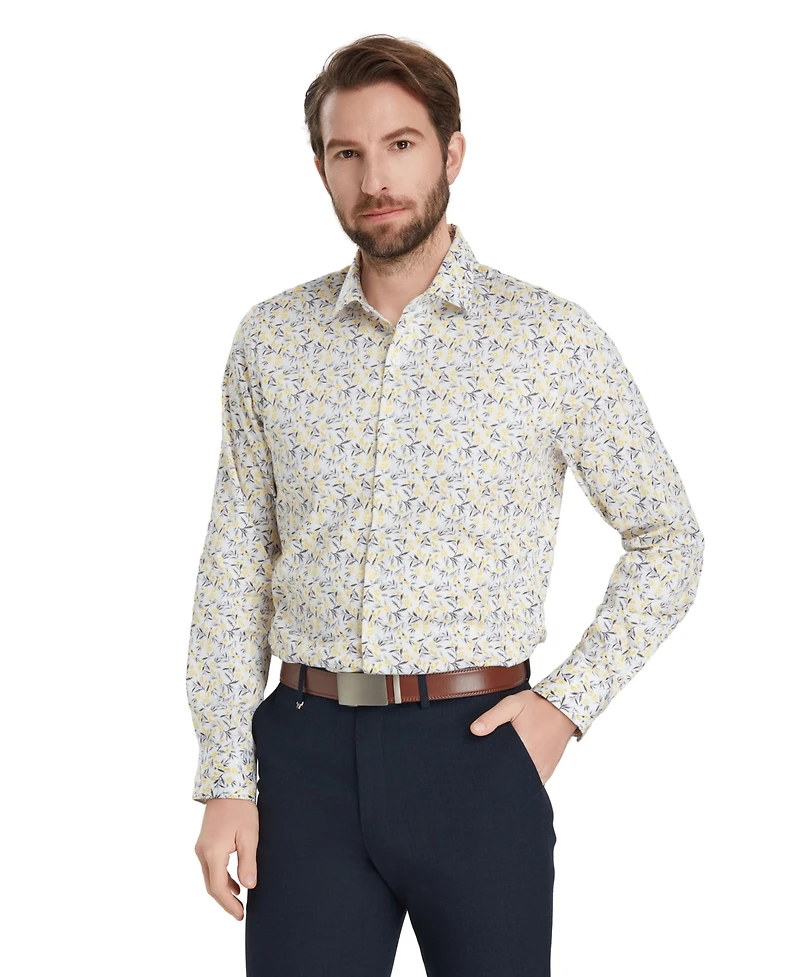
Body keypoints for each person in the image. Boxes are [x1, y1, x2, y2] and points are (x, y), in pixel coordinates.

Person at [186, 33, 704, 977]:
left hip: (476, 753)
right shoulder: (272, 341)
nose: (375, 178)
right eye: (348, 153)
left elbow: (668, 538)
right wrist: (227, 774)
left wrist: (564, 707)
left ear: (452, 152)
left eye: (401, 145)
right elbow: (234, 567)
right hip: (302, 760)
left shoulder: (549, 338)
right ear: (321, 168)